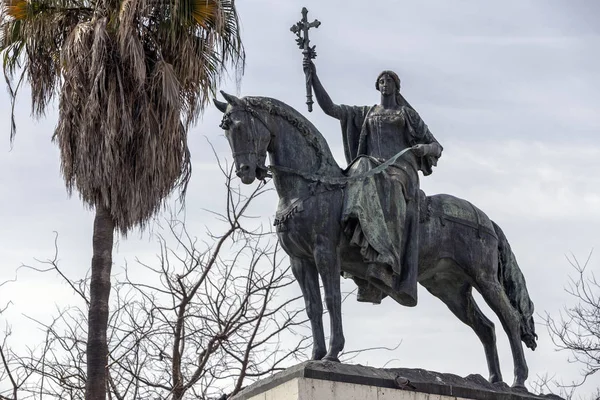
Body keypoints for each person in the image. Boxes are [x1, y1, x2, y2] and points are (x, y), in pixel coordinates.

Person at [304, 59, 443, 306]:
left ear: (396, 87)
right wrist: (313, 77)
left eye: (389, 80)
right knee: (356, 173)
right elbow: (331, 109)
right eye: (381, 81)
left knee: (388, 187)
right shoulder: (365, 113)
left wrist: (423, 148)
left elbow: (436, 145)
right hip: (370, 167)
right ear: (377, 86)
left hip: (400, 168)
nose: (384, 84)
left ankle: (386, 259)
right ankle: (354, 237)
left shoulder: (407, 114)